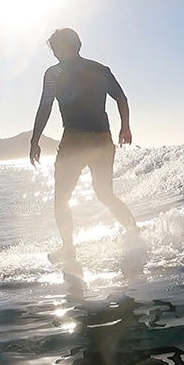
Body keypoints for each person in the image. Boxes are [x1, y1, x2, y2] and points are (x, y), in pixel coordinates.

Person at [30, 28, 139, 266]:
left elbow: (45, 106)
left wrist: (35, 140)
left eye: (56, 48)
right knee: (104, 194)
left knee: (61, 200)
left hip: (74, 142)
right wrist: (125, 127)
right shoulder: (100, 69)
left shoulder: (54, 73)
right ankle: (135, 234)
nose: (56, 53)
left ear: (63, 48)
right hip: (101, 139)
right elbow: (121, 98)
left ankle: (68, 249)